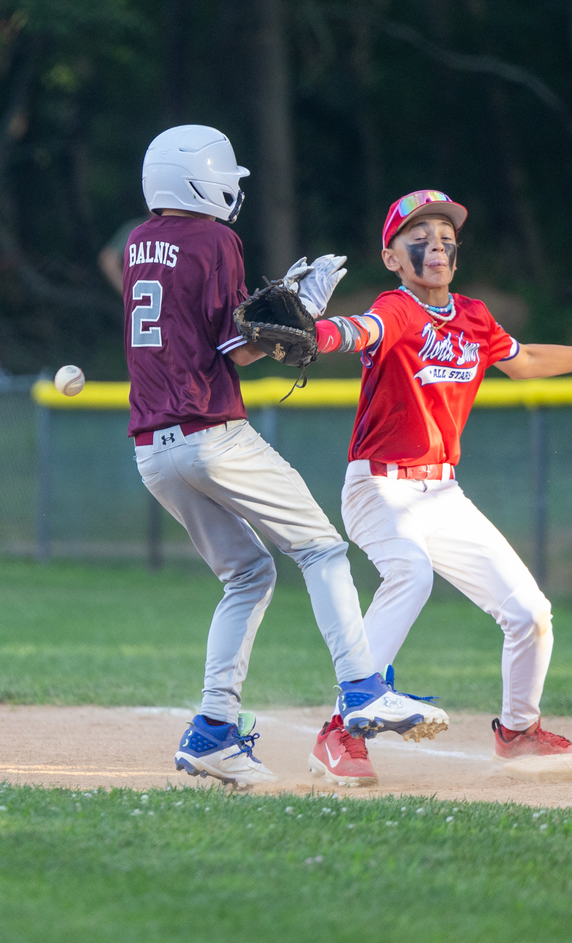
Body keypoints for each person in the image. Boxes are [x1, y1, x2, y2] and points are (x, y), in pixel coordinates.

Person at [297, 189, 572, 787]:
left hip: (442, 495)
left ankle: (518, 733)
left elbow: (523, 360)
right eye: (418, 236)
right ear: (392, 258)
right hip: (379, 488)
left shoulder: (473, 316)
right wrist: (317, 335)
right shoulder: (394, 308)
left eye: (445, 236)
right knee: (410, 573)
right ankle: (339, 731)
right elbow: (356, 330)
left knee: (530, 614)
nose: (436, 245)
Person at [125, 126, 449, 789]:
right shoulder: (216, 239)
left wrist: (275, 317)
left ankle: (213, 732)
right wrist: (299, 309)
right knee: (323, 549)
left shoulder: (137, 242)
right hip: (210, 432)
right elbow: (234, 351)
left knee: (247, 576)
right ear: (200, 178)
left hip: (152, 451)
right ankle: (363, 690)